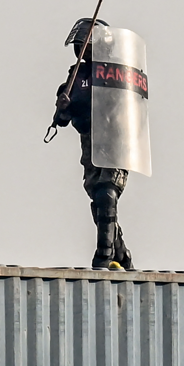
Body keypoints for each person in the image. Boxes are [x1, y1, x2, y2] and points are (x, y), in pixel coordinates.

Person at [52, 18, 132, 270]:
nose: (82, 51)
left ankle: (103, 255)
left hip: (115, 144)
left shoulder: (118, 72)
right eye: (80, 46)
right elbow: (62, 118)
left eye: (87, 46)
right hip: (90, 147)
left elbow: (129, 107)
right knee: (99, 204)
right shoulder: (76, 76)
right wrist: (64, 107)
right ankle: (123, 255)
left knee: (107, 194)